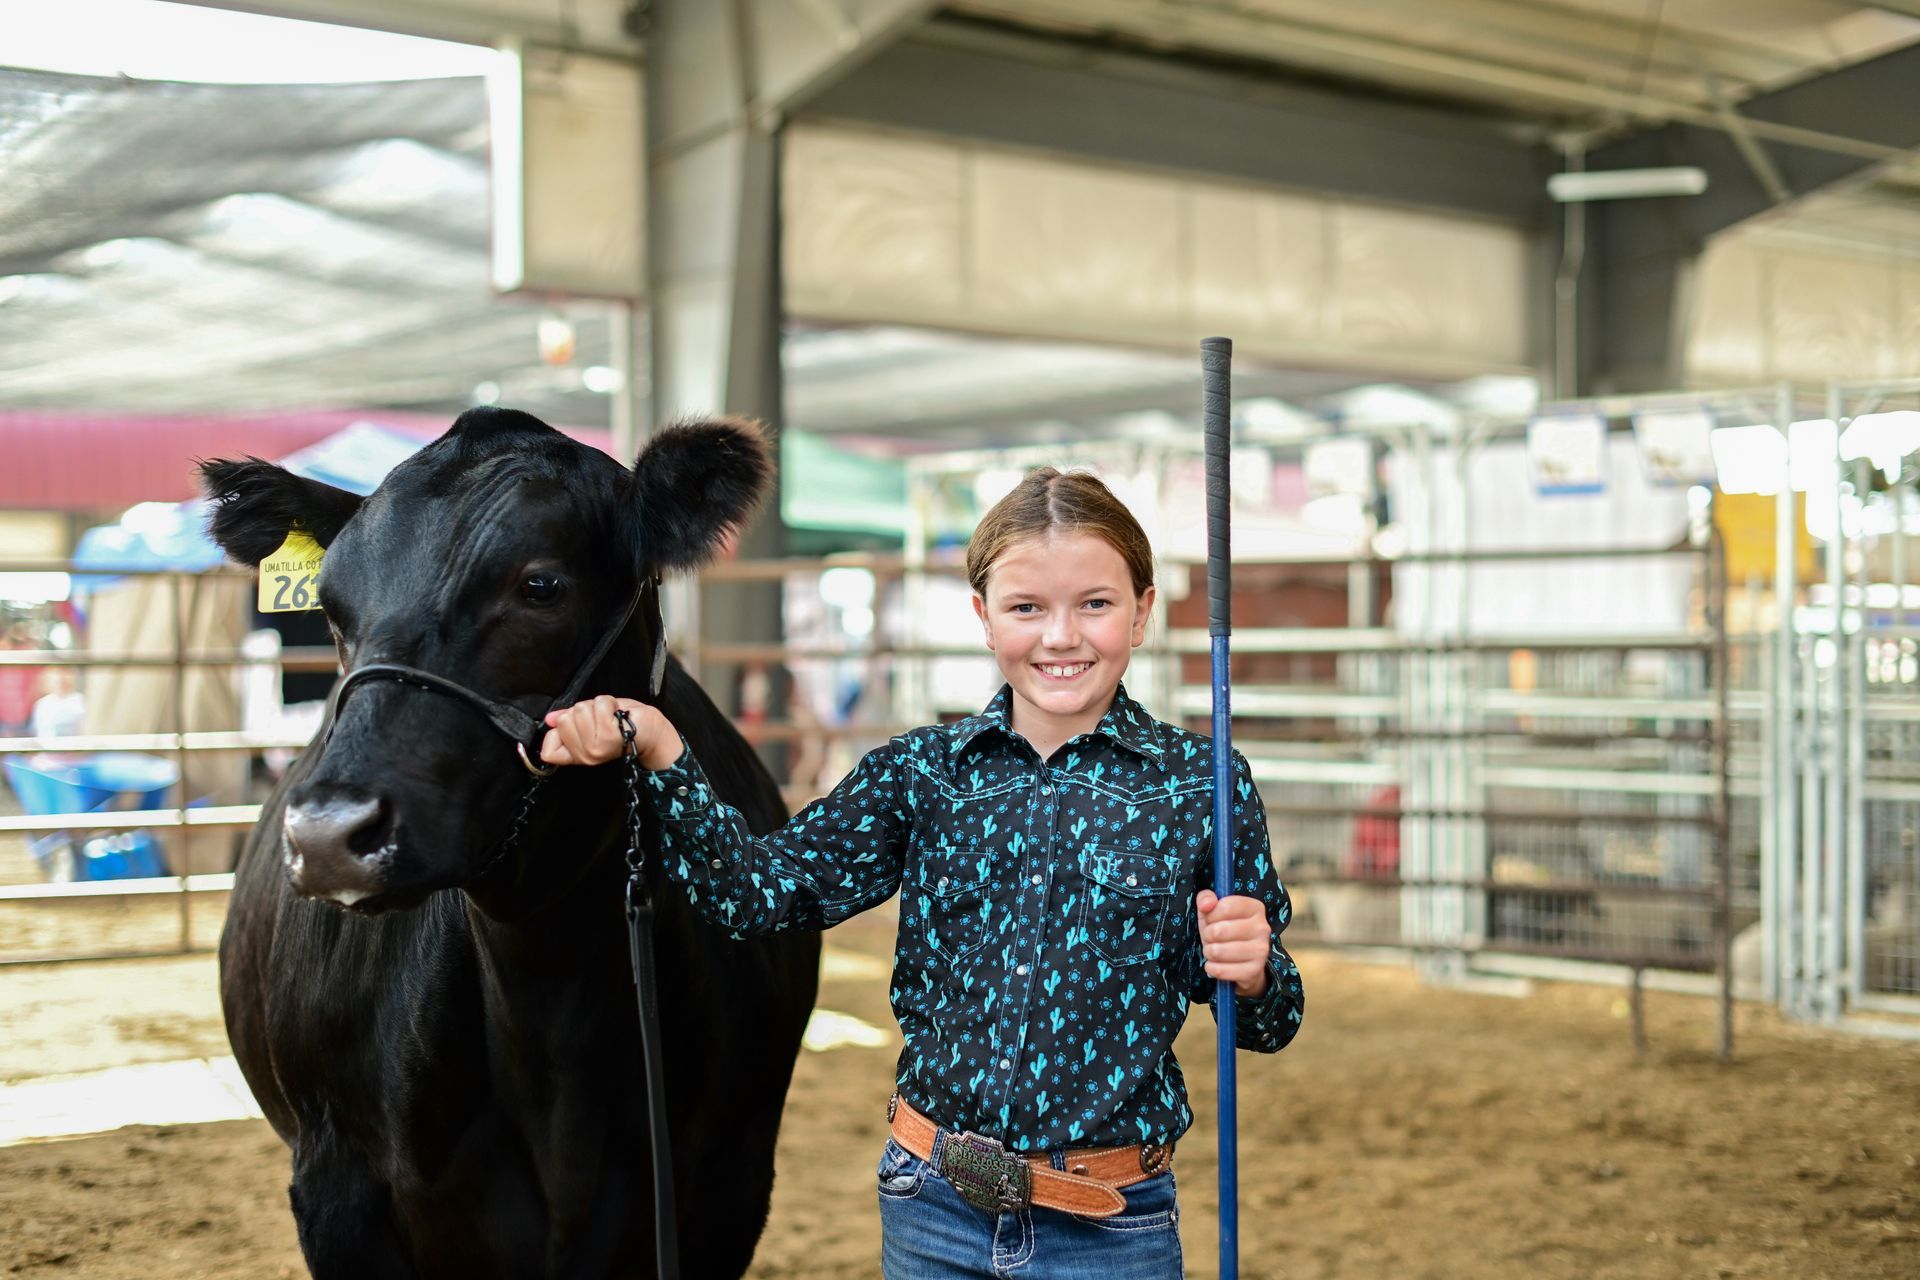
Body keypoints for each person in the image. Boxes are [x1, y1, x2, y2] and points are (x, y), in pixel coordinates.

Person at [542, 467, 1304, 1280]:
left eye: (1095, 604)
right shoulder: (919, 774)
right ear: (982, 617)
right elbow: (755, 898)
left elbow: (1268, 1020)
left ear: (1143, 611)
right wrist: (664, 748)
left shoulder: (1200, 784)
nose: (1060, 636)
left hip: (1113, 1225)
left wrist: (1253, 972)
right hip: (933, 1203)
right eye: (1026, 608)